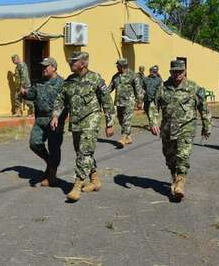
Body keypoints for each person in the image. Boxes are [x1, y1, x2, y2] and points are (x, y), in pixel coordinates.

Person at [50, 51, 114, 202]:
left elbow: (107, 101)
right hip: (76, 122)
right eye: (70, 61)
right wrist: (55, 115)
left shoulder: (95, 78)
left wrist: (109, 123)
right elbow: (60, 99)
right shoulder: (69, 81)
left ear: (84, 63)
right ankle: (95, 181)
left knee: (84, 153)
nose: (70, 63)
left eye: (74, 61)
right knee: (82, 152)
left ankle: (77, 186)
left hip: (91, 120)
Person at [149, 60, 211, 201]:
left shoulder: (194, 87)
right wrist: (153, 122)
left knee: (183, 155)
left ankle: (181, 181)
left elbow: (204, 108)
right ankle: (175, 177)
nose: (177, 74)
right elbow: (153, 105)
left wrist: (207, 126)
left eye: (180, 71)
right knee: (169, 157)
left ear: (185, 71)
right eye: (174, 71)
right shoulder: (163, 87)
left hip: (186, 127)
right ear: (170, 72)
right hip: (168, 128)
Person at [21, 57, 67, 186]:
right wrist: (24, 93)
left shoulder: (62, 83)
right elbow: (32, 95)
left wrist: (58, 116)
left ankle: (51, 175)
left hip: (55, 120)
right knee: (34, 143)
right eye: (42, 66)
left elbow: (65, 102)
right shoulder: (39, 82)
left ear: (54, 67)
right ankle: (50, 162)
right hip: (40, 119)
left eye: (46, 66)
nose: (43, 69)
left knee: (54, 147)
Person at [108, 58, 143, 147]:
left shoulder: (133, 75)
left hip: (129, 102)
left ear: (123, 66)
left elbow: (138, 90)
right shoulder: (115, 76)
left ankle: (123, 138)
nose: (117, 67)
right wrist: (102, 94)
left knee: (126, 120)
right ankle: (129, 136)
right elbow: (110, 88)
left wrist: (139, 101)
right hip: (119, 102)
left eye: (118, 65)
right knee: (120, 120)